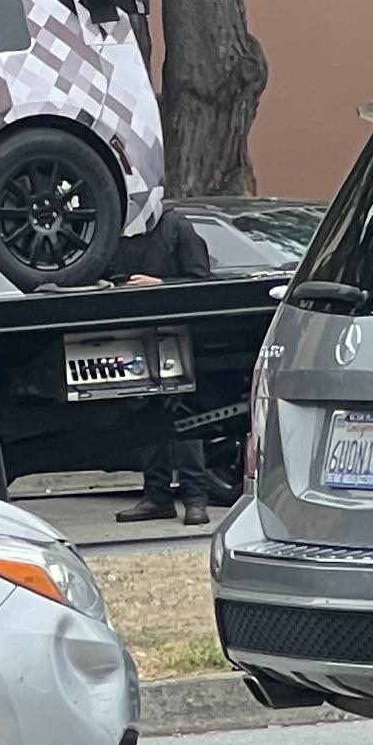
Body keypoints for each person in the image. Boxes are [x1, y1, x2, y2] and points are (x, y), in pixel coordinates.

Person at [108, 207, 214, 525]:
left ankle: (195, 499)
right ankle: (156, 496)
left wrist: (161, 283)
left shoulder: (175, 226)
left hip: (174, 335)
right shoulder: (111, 229)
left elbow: (202, 282)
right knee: (145, 416)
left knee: (184, 417)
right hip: (132, 335)